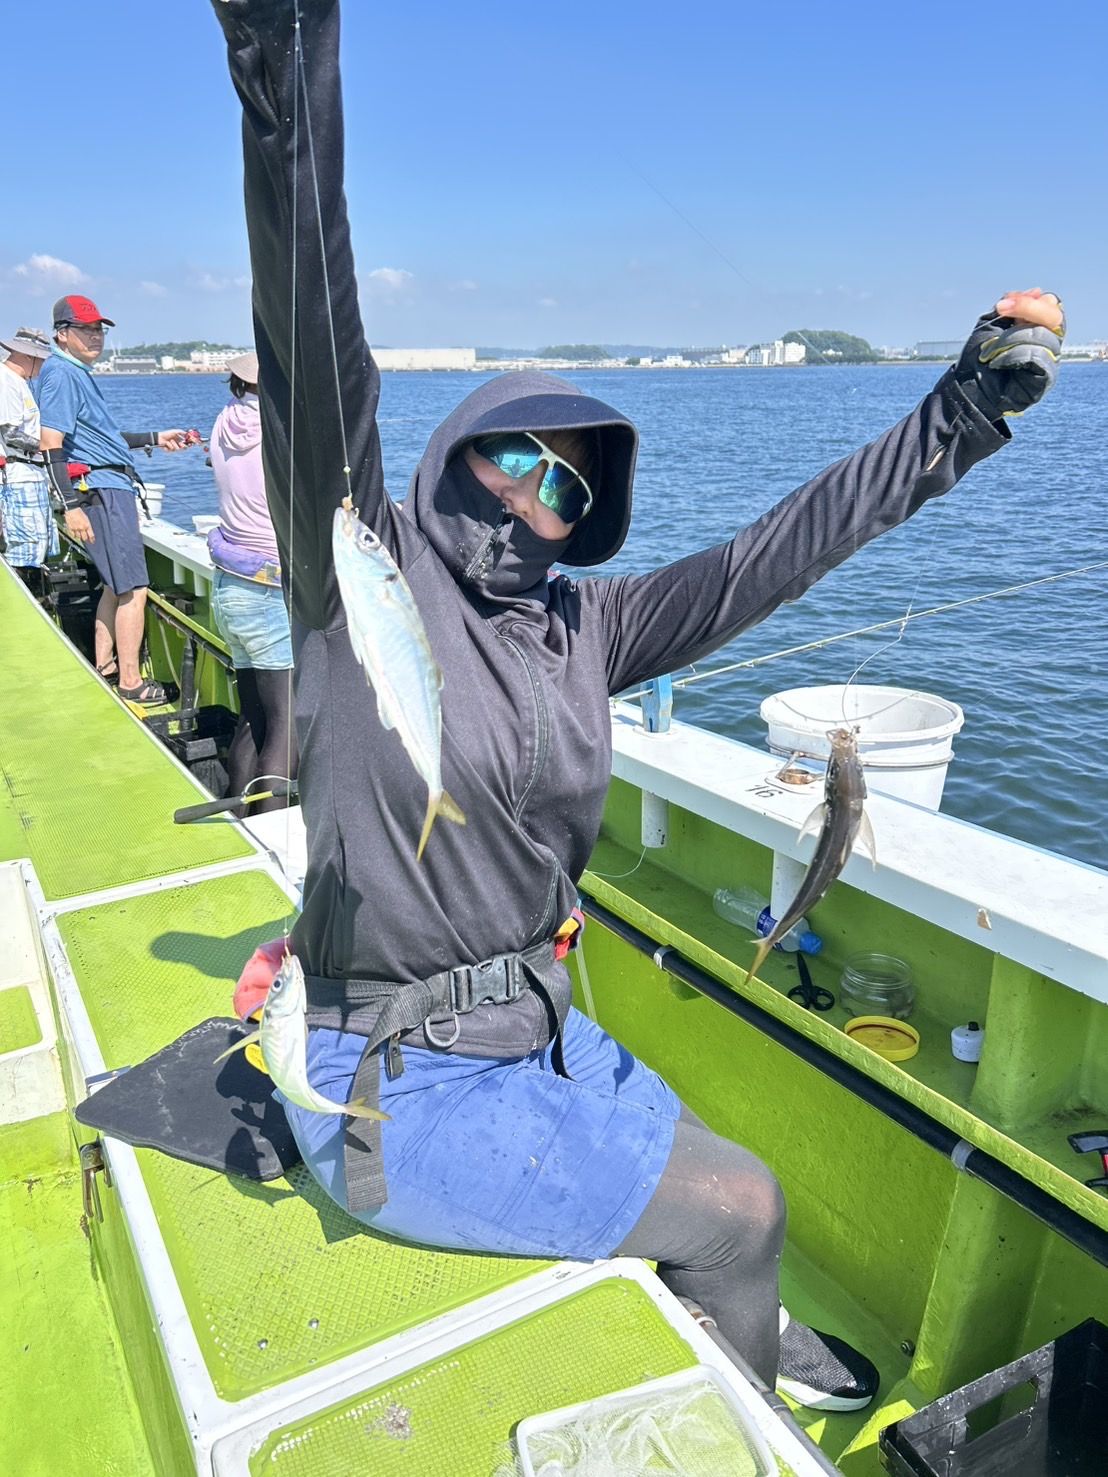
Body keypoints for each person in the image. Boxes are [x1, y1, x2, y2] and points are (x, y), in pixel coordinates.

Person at [212, 0, 1063, 1409]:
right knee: (746, 1205)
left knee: (703, 1161)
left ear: (585, 512)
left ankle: (733, 1301)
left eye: (566, 483)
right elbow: (314, 329)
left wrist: (961, 415)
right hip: (387, 1081)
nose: (531, 496)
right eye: (511, 457)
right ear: (455, 450)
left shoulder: (588, 624)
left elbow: (773, 553)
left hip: (536, 1029)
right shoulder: (355, 564)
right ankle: (743, 1344)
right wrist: (284, 54)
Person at [36, 294, 188, 701]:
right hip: (102, 492)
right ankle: (132, 683)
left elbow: (100, 438)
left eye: (99, 329)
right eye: (85, 329)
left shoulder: (74, 372)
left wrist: (155, 437)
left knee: (112, 585)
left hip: (103, 487)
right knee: (134, 590)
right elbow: (50, 444)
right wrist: (70, 506)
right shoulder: (62, 375)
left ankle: (105, 666)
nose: (96, 336)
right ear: (61, 334)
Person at [207, 350, 297, 813]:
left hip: (229, 586)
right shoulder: (278, 434)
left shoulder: (225, 422)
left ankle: (239, 819)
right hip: (268, 588)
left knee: (253, 720)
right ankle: (272, 834)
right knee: (287, 726)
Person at [0, 327, 55, 596]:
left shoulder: (17, 381)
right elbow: (10, 433)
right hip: (18, 475)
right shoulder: (5, 380)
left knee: (35, 547)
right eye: (40, 359)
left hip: (30, 473)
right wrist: (51, 447)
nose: (43, 365)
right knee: (24, 551)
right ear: (27, 356)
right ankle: (25, 601)